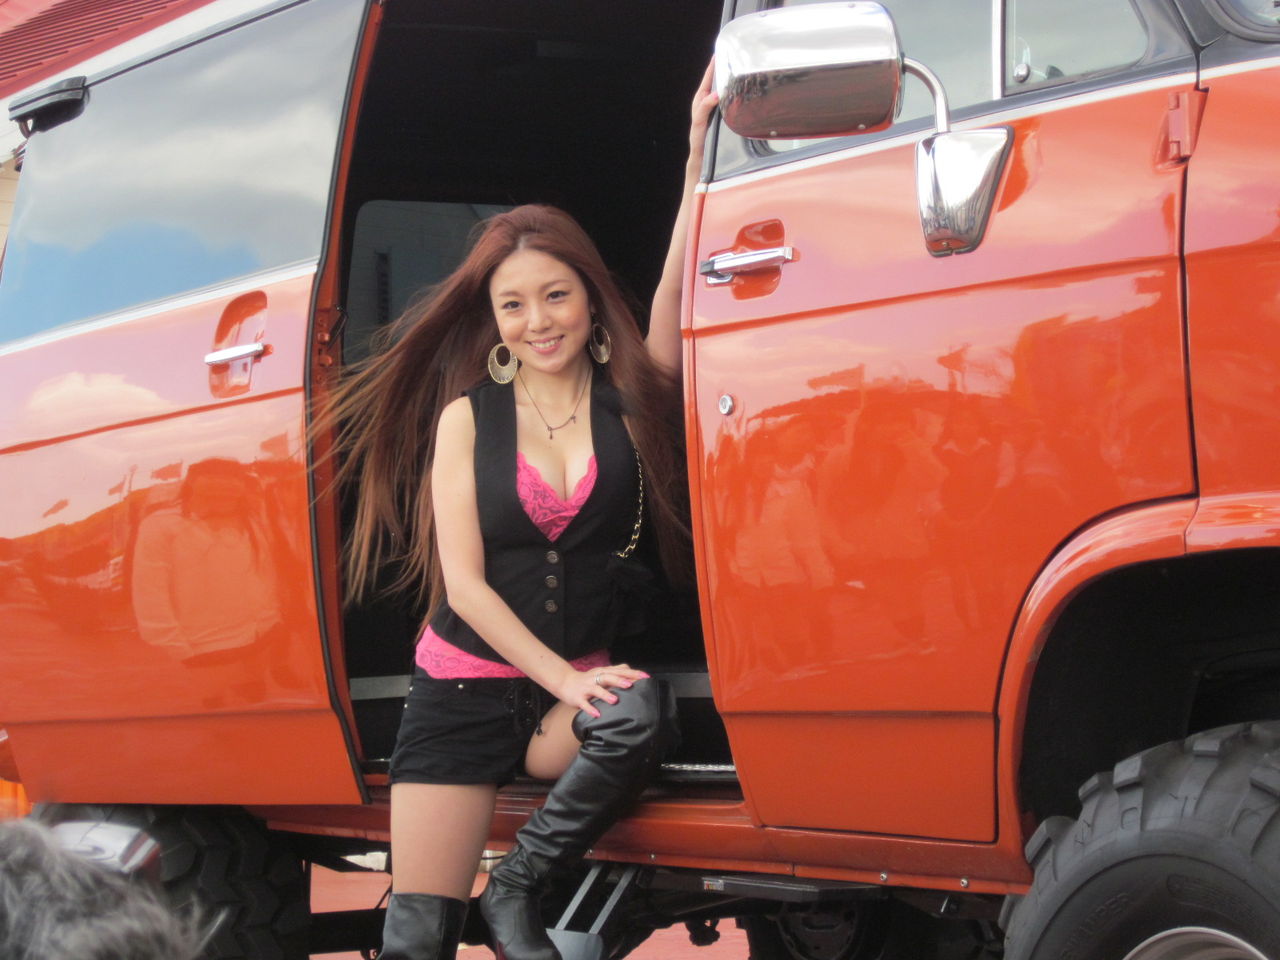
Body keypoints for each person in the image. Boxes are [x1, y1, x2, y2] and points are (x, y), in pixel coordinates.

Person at [323, 65, 718, 960]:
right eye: (514, 304)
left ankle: (517, 886)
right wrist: (566, 679)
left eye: (555, 296)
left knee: (637, 711)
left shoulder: (630, 403)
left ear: (589, 298)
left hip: (560, 711)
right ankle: (486, 901)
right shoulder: (466, 418)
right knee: (418, 939)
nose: (538, 321)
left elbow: (671, 291)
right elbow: (463, 585)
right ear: (494, 317)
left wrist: (699, 162)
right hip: (461, 693)